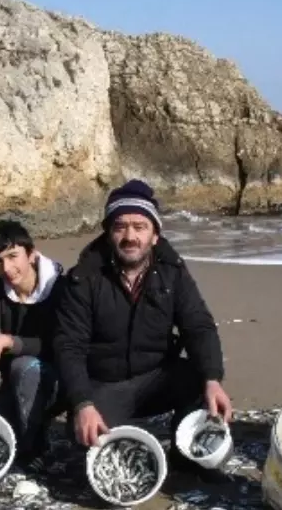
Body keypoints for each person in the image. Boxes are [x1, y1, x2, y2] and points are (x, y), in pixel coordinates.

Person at [54, 179, 234, 469]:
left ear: (155, 236)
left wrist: (213, 378)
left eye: (140, 227)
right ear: (108, 233)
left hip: (158, 377)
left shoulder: (172, 272)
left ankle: (183, 455)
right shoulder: (83, 277)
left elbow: (198, 326)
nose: (130, 236)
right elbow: (68, 346)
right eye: (120, 226)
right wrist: (82, 404)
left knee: (201, 383)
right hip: (107, 384)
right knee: (82, 444)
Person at [0, 221, 65, 465]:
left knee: (23, 365)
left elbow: (59, 345)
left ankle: (34, 446)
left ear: (31, 254)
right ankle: (24, 424)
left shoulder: (61, 287)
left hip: (59, 382)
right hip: (15, 384)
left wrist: (8, 340)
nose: (7, 268)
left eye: (13, 256)